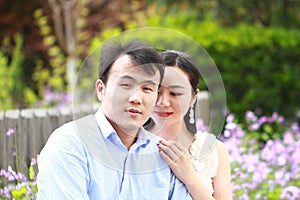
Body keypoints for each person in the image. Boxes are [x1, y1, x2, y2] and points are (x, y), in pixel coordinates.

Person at [37, 39, 192, 199]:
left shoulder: (163, 156)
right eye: (126, 85)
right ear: (100, 89)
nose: (136, 98)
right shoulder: (70, 144)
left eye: (147, 88)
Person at [145, 50, 233, 200]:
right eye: (157, 91)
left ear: (193, 97)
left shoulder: (213, 150)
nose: (163, 102)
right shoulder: (128, 145)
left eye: (175, 93)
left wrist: (189, 177)